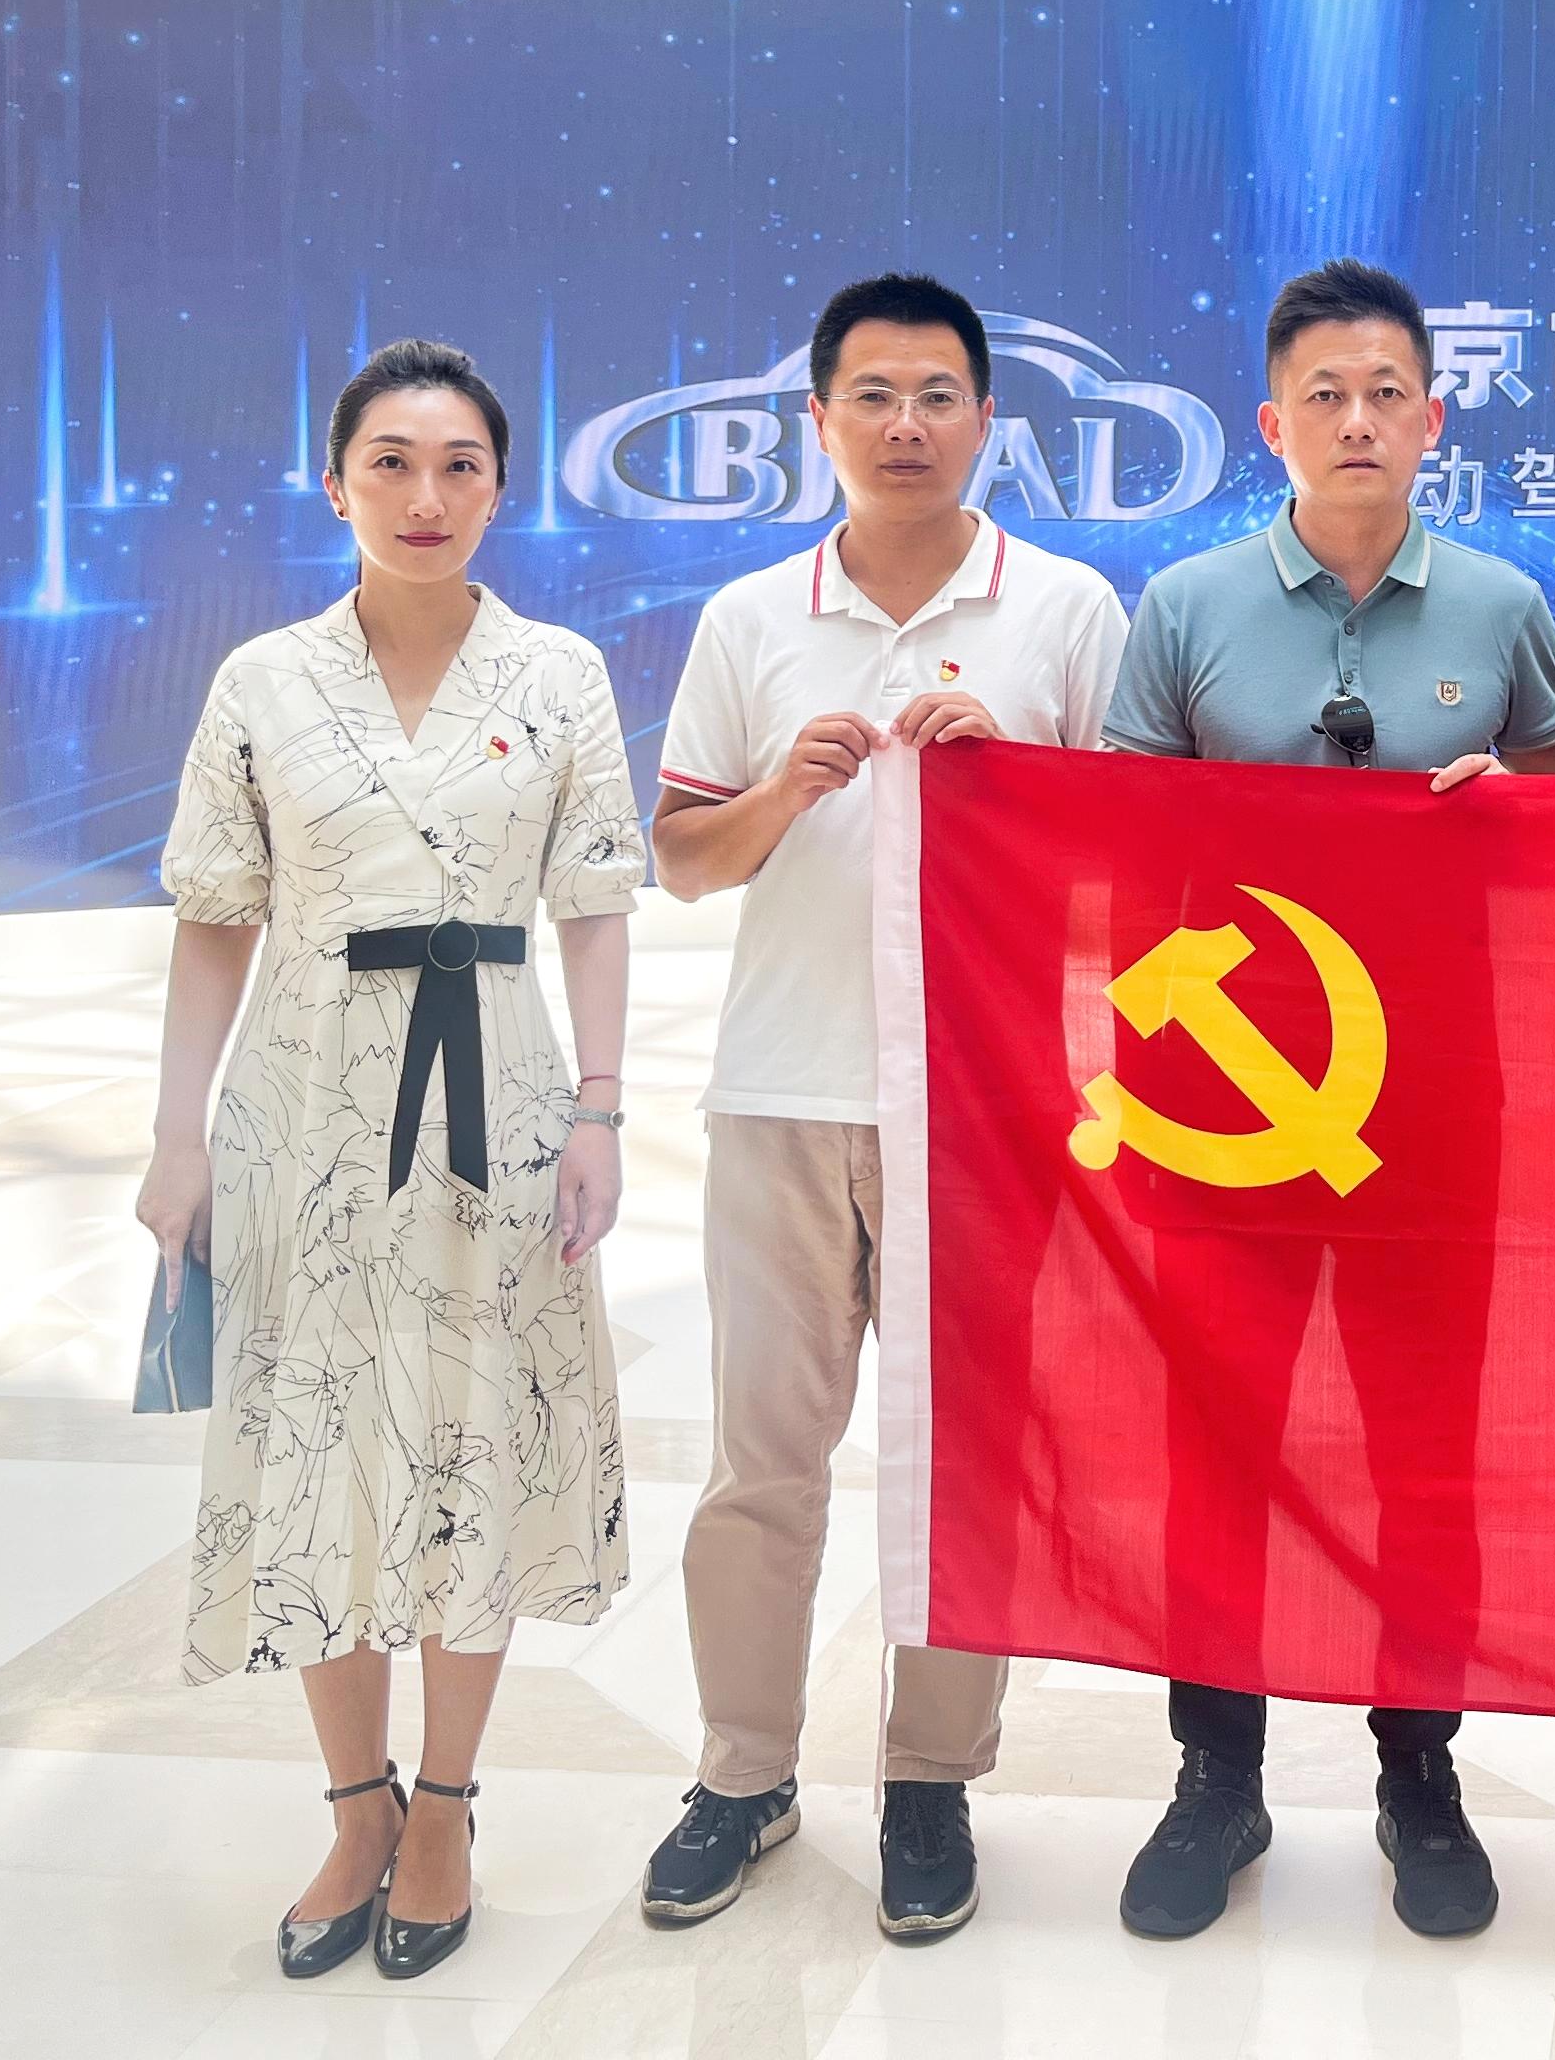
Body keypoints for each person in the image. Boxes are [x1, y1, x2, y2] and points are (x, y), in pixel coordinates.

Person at [137, 337, 644, 1985]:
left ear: (501, 488)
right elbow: (216, 918)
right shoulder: (263, 680)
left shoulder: (559, 671)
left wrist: (603, 1110)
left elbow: (596, 904)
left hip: (499, 1098)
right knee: (319, 1448)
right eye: (392, 464)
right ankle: (355, 1806)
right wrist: (177, 1138)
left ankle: (447, 1806)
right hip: (302, 1105)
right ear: (335, 482)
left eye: (461, 467)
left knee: (470, 1440)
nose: (427, 497)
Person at [634, 274, 1128, 1946]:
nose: (904, 426)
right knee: (761, 1464)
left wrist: (1017, 778)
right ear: (820, 421)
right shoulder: (749, 618)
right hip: (782, 1093)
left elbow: (1133, 872)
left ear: (987, 419)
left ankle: (932, 1783)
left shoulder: (1065, 610)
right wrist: (785, 788)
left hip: (986, 1106)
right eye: (872, 396)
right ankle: (742, 1772)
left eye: (935, 396)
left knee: (963, 1462)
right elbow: (682, 860)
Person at [1099, 258, 1555, 1944]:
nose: (1357, 420)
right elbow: (1117, 854)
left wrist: (1515, 815)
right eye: (1325, 395)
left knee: (1420, 1444)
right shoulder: (1185, 606)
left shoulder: (1504, 608)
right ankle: (1214, 1775)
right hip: (1228, 1110)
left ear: (1433, 417)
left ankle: (1418, 1768)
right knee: (1217, 1439)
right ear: (1272, 423)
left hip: (1436, 1100)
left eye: (1386, 393)